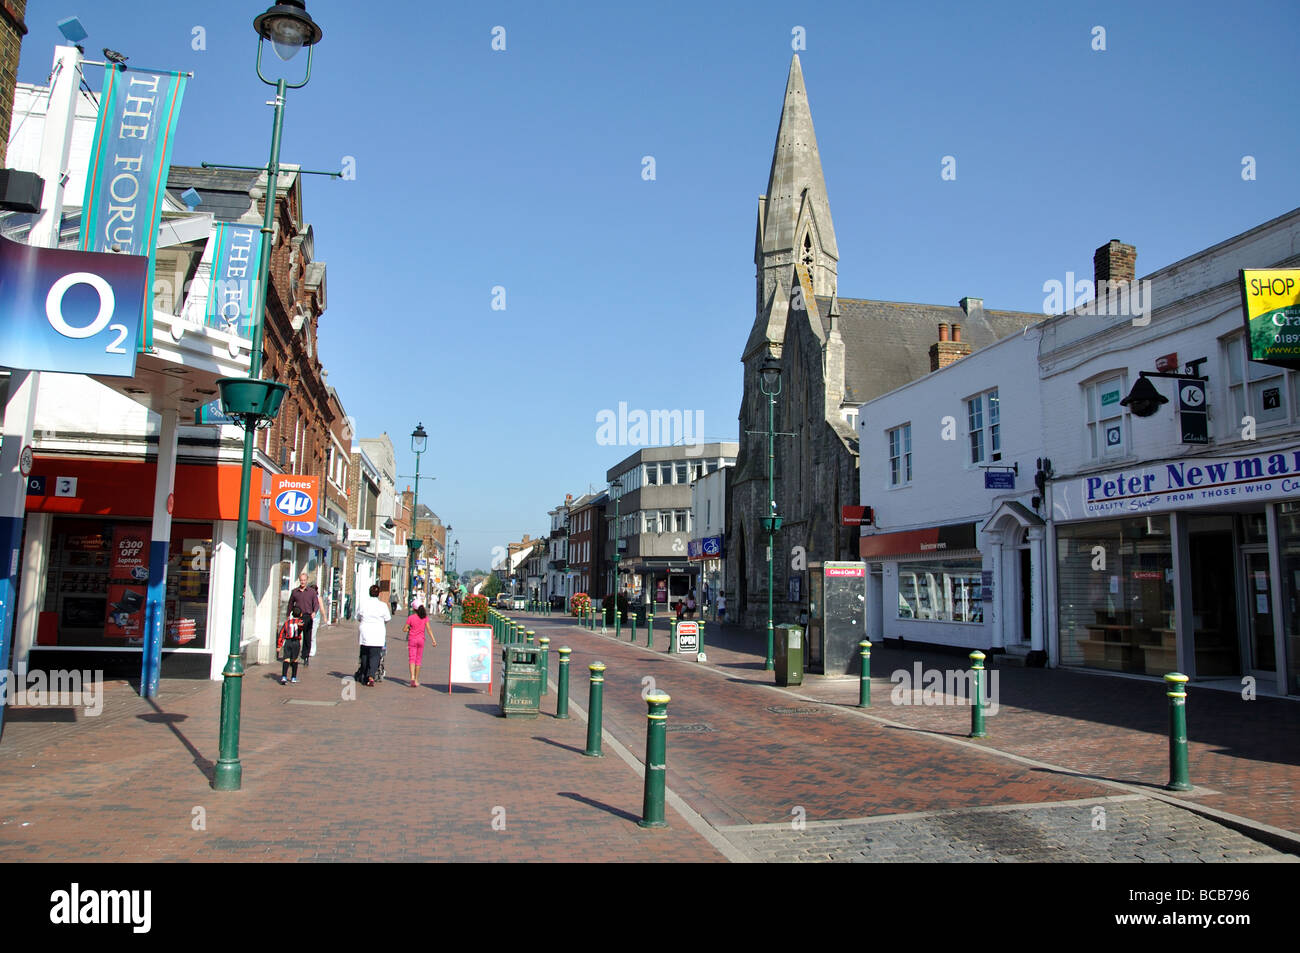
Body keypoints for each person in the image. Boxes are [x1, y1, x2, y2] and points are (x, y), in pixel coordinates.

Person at [357, 583, 391, 686]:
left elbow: (358, 617)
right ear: (378, 594)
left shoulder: (363, 604)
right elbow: (388, 618)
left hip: (365, 632)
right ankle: (371, 676)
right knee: (375, 655)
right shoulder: (383, 605)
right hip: (377, 633)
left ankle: (364, 673)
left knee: (364, 654)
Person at [288, 571, 321, 666]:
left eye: (304, 580)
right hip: (297, 617)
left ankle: (305, 656)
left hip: (308, 616)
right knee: (295, 637)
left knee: (307, 637)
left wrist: (314, 612)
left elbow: (316, 603)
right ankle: (293, 656)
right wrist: (288, 614)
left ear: (307, 581)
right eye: (301, 580)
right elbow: (290, 603)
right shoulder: (295, 592)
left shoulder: (312, 592)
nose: (302, 582)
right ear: (299, 580)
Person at [404, 604, 436, 688]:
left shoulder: (411, 617)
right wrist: (433, 640)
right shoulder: (424, 617)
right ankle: (416, 679)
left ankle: (412, 677)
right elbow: (429, 629)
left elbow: (404, 629)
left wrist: (409, 628)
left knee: (412, 658)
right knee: (418, 660)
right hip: (421, 640)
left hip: (412, 640)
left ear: (414, 609)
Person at [277, 607, 304, 685]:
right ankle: (293, 677)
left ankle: (284, 677)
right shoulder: (300, 622)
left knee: (286, 659)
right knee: (295, 659)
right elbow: (302, 627)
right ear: (301, 614)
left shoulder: (287, 623)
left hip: (288, 642)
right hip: (296, 642)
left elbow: (281, 634)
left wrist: (279, 645)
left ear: (292, 614)